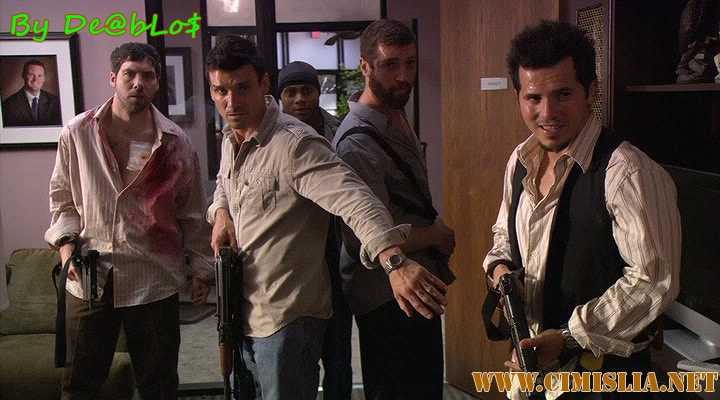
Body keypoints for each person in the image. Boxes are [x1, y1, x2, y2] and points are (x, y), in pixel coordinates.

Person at [205, 35, 448, 400]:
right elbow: (225, 183)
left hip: (287, 318)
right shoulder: (232, 137)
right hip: (245, 309)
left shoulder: (295, 145)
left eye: (242, 88)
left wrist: (394, 261)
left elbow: (356, 200)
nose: (231, 101)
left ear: (264, 83)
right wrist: (222, 212)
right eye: (220, 91)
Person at [483, 20, 681, 399]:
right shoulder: (520, 159)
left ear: (590, 90)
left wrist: (568, 338)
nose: (547, 113)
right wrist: (500, 271)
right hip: (532, 374)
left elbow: (653, 281)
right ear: (518, 95)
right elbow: (503, 237)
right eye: (533, 98)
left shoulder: (628, 172)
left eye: (563, 94)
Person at [44, 42, 214, 400]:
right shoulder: (78, 132)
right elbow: (62, 199)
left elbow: (192, 212)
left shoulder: (176, 142)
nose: (138, 83)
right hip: (91, 275)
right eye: (129, 74)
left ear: (157, 83)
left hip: (153, 277)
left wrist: (202, 269)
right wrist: (66, 250)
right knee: (80, 384)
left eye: (148, 76)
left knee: (159, 383)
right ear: (113, 78)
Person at [332, 19, 456, 400]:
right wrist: (435, 235)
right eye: (390, 65)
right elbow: (365, 236)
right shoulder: (357, 142)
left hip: (417, 284)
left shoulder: (394, 115)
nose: (403, 76)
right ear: (365, 67)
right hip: (387, 293)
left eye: (410, 63)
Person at [277, 60, 352, 400]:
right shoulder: (273, 135)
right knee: (297, 350)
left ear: (317, 93)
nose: (299, 99)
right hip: (293, 255)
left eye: (306, 90)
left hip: (335, 250)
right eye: (290, 92)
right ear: (281, 97)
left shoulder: (340, 130)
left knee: (338, 351)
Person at [2, 59, 62, 126]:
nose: (35, 79)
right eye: (31, 75)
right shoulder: (9, 105)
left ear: (44, 78)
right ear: (23, 75)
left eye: (39, 75)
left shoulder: (55, 102)